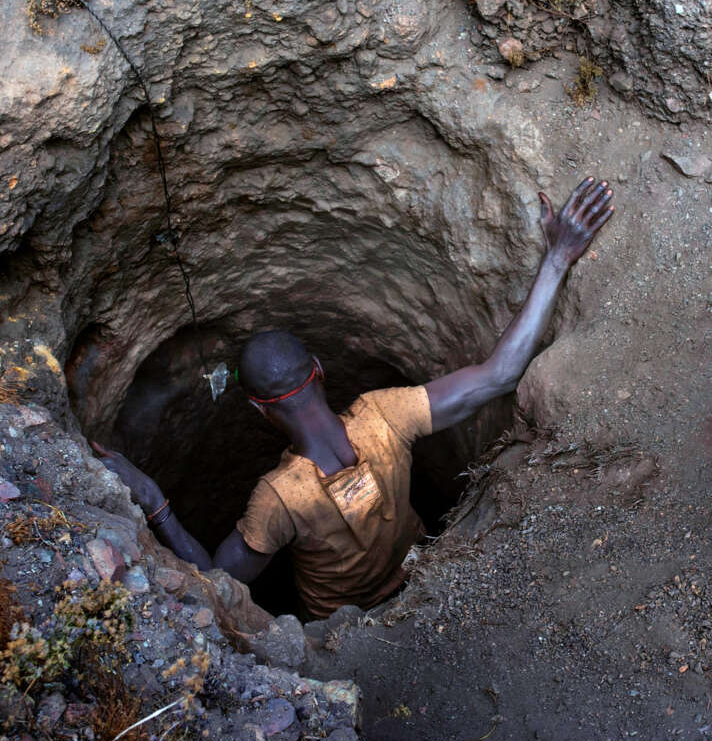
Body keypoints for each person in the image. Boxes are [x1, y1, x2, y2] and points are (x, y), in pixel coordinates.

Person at [93, 177, 614, 619]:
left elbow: (215, 582)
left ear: (257, 408)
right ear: (320, 370)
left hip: (337, 627)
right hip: (421, 582)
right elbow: (500, 374)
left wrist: (152, 501)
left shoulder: (278, 499)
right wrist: (557, 258)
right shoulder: (385, 414)